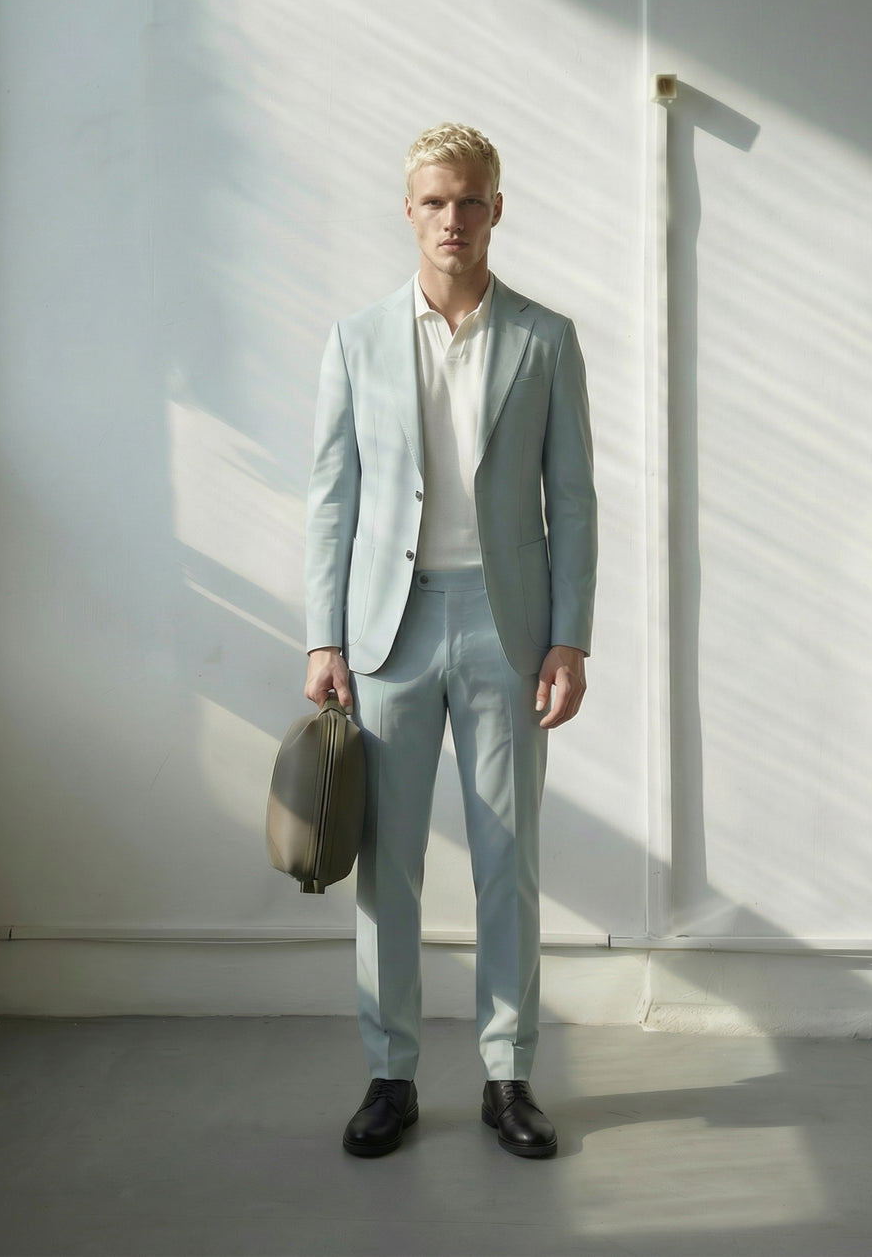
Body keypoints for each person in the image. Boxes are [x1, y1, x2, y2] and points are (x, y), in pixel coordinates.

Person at [304, 123, 597, 1159]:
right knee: (387, 868)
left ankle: (507, 1078)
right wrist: (321, 638)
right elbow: (332, 500)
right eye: (434, 201)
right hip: (385, 632)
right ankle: (390, 1077)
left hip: (505, 627)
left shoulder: (544, 339)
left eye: (470, 201)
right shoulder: (356, 339)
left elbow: (574, 499)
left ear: (496, 209)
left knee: (505, 861)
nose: (453, 220)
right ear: (409, 210)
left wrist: (569, 641)